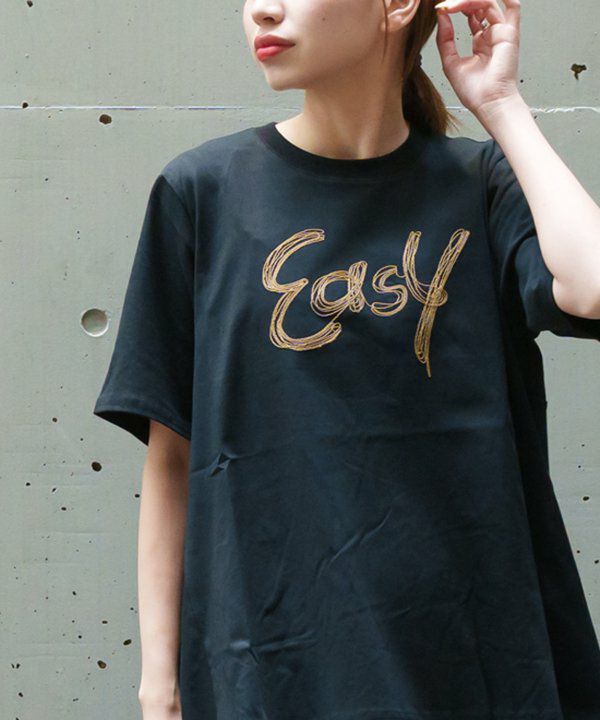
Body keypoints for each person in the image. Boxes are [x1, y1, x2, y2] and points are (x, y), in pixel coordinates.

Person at [93, 0, 600, 718]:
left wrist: (501, 106)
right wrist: (160, 685)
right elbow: (172, 457)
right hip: (273, 673)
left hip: (475, 668)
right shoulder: (203, 193)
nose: (262, 10)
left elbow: (591, 288)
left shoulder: (481, 186)